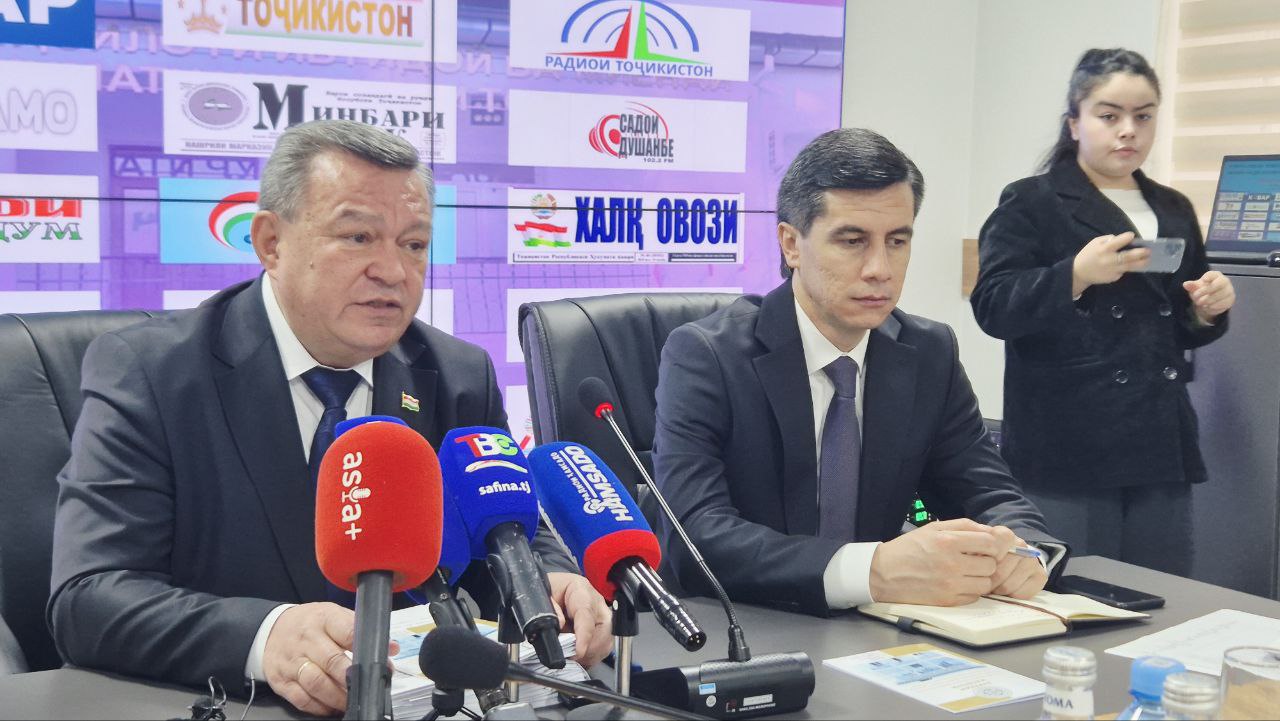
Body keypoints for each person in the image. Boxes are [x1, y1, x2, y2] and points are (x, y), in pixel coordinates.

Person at [48, 120, 612, 716]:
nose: (393, 271)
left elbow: (508, 526)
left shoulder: (457, 374)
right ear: (271, 242)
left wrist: (546, 583)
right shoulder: (152, 373)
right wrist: (265, 637)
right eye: (358, 237)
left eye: (414, 244)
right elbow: (89, 597)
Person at [652, 128, 1062, 617]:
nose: (880, 269)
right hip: (747, 624)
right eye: (853, 241)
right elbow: (696, 537)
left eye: (897, 241)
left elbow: (988, 492)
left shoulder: (928, 352)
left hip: (885, 629)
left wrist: (1027, 552)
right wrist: (872, 570)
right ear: (791, 244)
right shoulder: (706, 356)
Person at [969, 48, 1234, 577]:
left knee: (1164, 593)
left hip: (1158, 438)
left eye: (1144, 116)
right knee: (1072, 593)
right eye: (1109, 116)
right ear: (1074, 123)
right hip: (1068, 440)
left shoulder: (1173, 207)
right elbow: (993, 305)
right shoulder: (1032, 201)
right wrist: (1074, 274)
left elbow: (1177, 323)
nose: (1128, 131)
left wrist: (1208, 309)